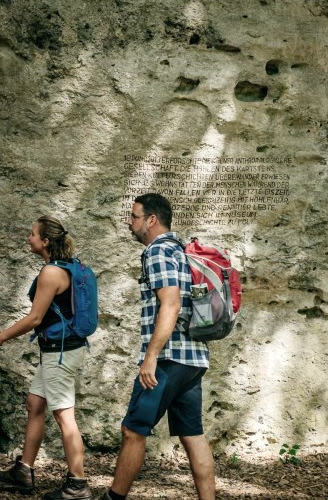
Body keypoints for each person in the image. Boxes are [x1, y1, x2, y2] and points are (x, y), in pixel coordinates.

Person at [102, 193, 215, 500]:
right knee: (192, 435)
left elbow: (171, 304)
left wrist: (150, 357)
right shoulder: (181, 250)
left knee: (133, 430)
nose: (129, 222)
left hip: (168, 359)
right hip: (193, 358)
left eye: (134, 216)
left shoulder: (158, 251)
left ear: (151, 220)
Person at [0, 216, 92, 500]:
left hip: (60, 354)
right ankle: (24, 471)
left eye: (32, 234)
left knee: (64, 416)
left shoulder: (51, 273)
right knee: (35, 404)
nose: (28, 238)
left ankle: (78, 485)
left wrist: (0, 337)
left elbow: (34, 318)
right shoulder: (66, 266)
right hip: (60, 350)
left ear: (45, 241)